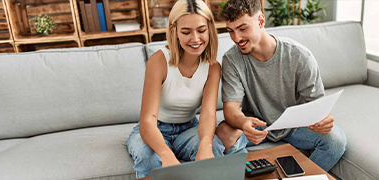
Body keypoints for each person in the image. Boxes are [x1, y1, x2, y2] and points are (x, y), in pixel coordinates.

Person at [214, 0, 347, 172]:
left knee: (336, 140)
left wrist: (322, 121)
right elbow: (231, 110)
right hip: (255, 124)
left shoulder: (299, 56)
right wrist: (244, 122)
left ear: (261, 21)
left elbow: (316, 106)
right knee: (223, 135)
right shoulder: (232, 59)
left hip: (295, 126)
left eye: (243, 28)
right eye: (230, 31)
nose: (236, 38)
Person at [126, 0, 223, 179]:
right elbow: (148, 120)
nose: (195, 39)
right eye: (186, 32)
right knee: (150, 159)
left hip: (189, 127)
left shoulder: (213, 67)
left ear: (209, 29)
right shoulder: (158, 61)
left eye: (201, 30)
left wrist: (205, 145)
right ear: (174, 31)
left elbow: (208, 113)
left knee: (214, 148)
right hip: (155, 128)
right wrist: (166, 154)